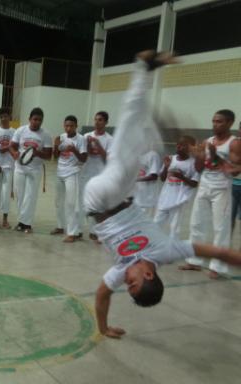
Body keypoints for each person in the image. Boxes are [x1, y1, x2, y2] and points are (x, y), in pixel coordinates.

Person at [84, 51, 241, 339]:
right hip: (122, 194)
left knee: (128, 155)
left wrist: (103, 328)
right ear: (148, 275)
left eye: (127, 286)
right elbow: (217, 251)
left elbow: (102, 294)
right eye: (132, 285)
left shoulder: (121, 269)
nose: (126, 283)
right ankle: (145, 70)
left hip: (100, 200)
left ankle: (151, 109)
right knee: (132, 143)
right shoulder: (167, 252)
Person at [180, 109, 237, 279]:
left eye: (219, 121)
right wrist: (193, 153)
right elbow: (199, 168)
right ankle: (194, 260)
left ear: (229, 123)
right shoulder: (207, 141)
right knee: (196, 224)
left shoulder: (234, 144)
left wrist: (214, 156)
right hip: (204, 186)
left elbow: (233, 171)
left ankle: (218, 266)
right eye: (213, 121)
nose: (215, 124)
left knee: (221, 228)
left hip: (222, 189)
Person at [10, 108, 53, 233]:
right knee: (20, 195)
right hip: (20, 167)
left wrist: (37, 153)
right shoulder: (21, 130)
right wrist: (14, 153)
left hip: (35, 169)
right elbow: (12, 146)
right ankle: (21, 222)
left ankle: (27, 224)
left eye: (39, 120)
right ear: (29, 119)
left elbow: (48, 156)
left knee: (30, 196)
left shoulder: (45, 135)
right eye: (34, 119)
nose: (37, 122)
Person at [153, 136, 199, 238]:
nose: (178, 147)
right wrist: (166, 167)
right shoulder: (170, 159)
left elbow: (194, 184)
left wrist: (181, 176)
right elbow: (162, 178)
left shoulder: (193, 163)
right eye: (178, 144)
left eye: (182, 145)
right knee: (156, 223)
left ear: (190, 148)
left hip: (179, 199)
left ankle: (171, 248)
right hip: (165, 197)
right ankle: (154, 246)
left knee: (174, 228)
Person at [51, 115, 87, 242]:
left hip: (73, 173)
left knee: (71, 203)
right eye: (66, 125)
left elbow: (83, 159)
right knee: (58, 201)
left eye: (71, 126)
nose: (68, 128)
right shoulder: (61, 137)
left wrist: (74, 150)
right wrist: (55, 146)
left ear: (76, 126)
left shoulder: (81, 139)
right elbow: (55, 157)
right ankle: (60, 226)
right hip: (60, 172)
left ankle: (72, 232)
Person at [82, 111, 113, 240]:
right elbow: (83, 155)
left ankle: (97, 232)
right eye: (95, 119)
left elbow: (108, 159)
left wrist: (99, 145)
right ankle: (85, 229)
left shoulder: (110, 139)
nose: (97, 122)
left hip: (101, 175)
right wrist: (89, 145)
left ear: (106, 122)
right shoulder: (86, 136)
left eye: (100, 120)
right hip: (86, 173)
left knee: (99, 204)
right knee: (86, 203)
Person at [134, 142, 162, 217]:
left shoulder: (152, 155)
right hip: (137, 198)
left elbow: (154, 176)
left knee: (146, 224)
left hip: (148, 198)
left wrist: (135, 179)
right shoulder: (136, 156)